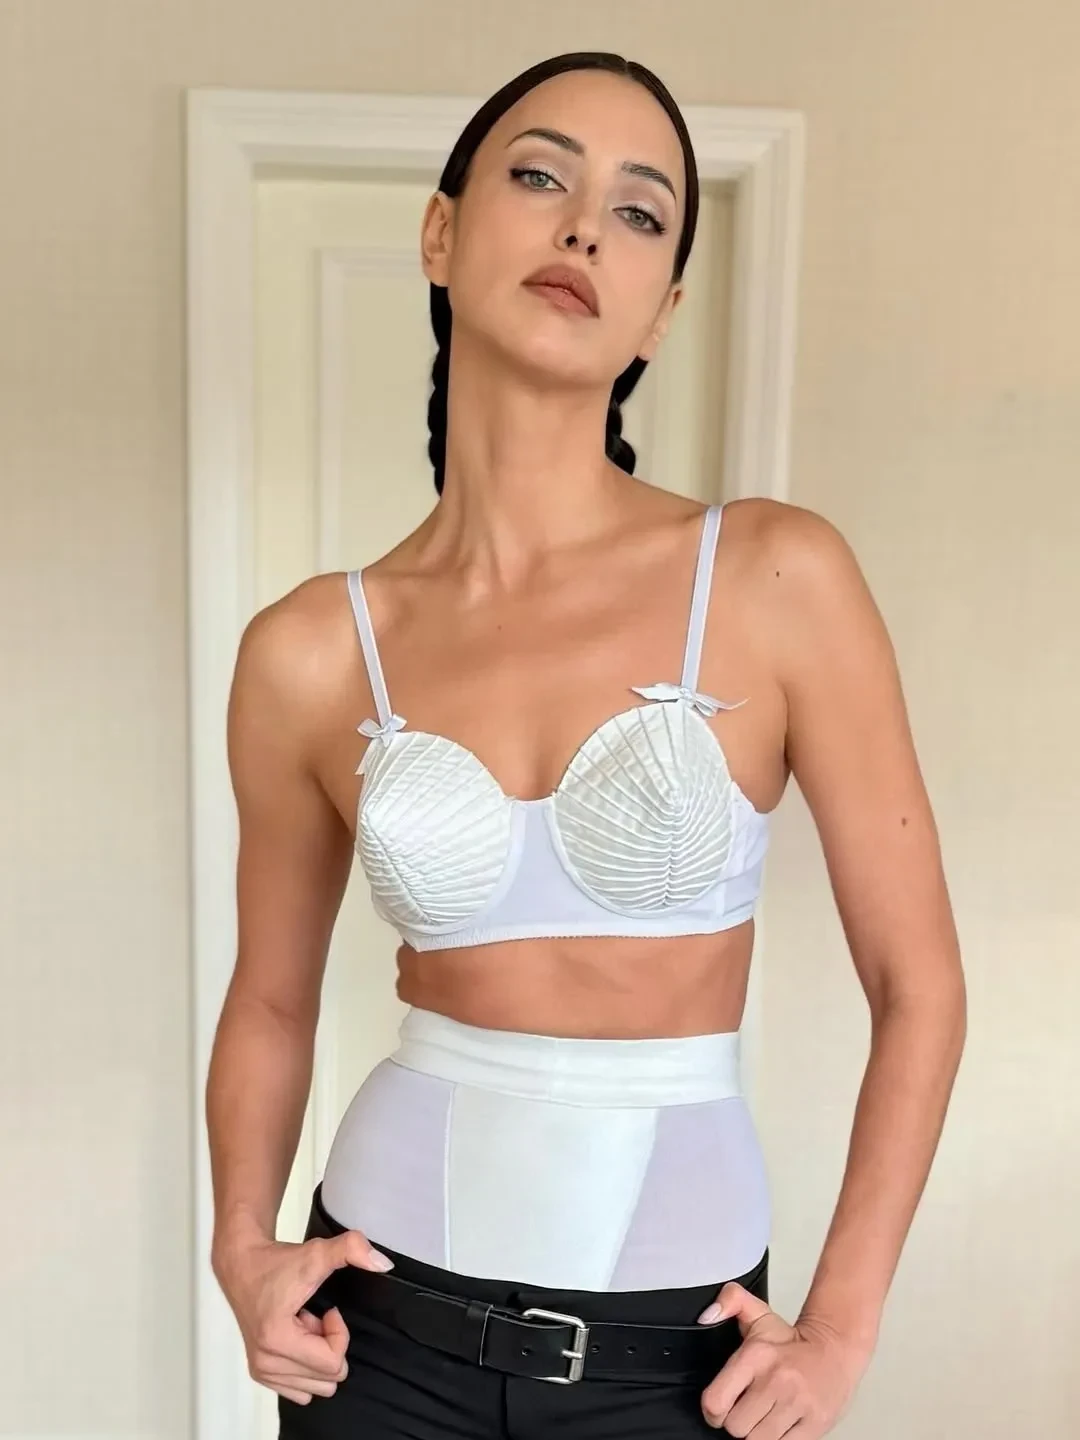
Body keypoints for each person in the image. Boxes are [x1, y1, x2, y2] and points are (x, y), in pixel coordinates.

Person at [206, 50, 966, 1440]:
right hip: (376, 1335)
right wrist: (241, 1243)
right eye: (541, 176)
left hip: (673, 1360)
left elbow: (918, 985)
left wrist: (844, 1326)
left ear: (663, 309)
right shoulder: (310, 650)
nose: (582, 229)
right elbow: (268, 998)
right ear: (441, 233)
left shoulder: (772, 576)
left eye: (638, 211)